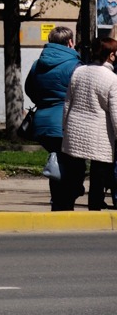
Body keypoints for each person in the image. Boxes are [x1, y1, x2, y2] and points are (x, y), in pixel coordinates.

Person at [23, 25, 81, 210]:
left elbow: (29, 90)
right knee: (73, 164)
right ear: (70, 42)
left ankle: (57, 200)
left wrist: (44, 101)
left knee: (56, 160)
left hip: (42, 122)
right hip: (66, 122)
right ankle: (67, 200)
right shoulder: (74, 65)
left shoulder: (37, 64)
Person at [59, 36, 117, 210]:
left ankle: (67, 205)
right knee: (98, 174)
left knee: (73, 173)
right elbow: (115, 112)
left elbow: (68, 102)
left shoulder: (79, 71)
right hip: (99, 133)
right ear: (111, 56)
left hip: (74, 128)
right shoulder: (112, 79)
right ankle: (94, 205)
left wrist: (65, 126)